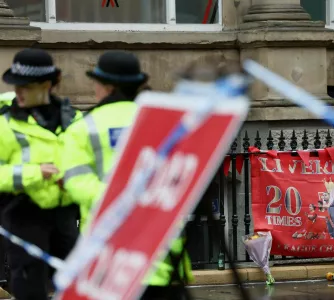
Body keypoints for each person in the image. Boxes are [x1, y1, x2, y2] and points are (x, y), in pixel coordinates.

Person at [61, 51, 193, 300]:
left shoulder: (83, 127)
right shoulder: (163, 122)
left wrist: (119, 197)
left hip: (111, 258)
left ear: (108, 87)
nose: (95, 90)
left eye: (96, 84)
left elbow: (76, 183)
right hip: (161, 252)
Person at [0, 48, 81, 300]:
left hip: (66, 217)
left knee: (77, 288)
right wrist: (35, 173)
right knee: (30, 291)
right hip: (24, 216)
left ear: (47, 84)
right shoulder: (5, 123)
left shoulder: (74, 120)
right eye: (16, 85)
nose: (18, 92)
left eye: (26, 86)